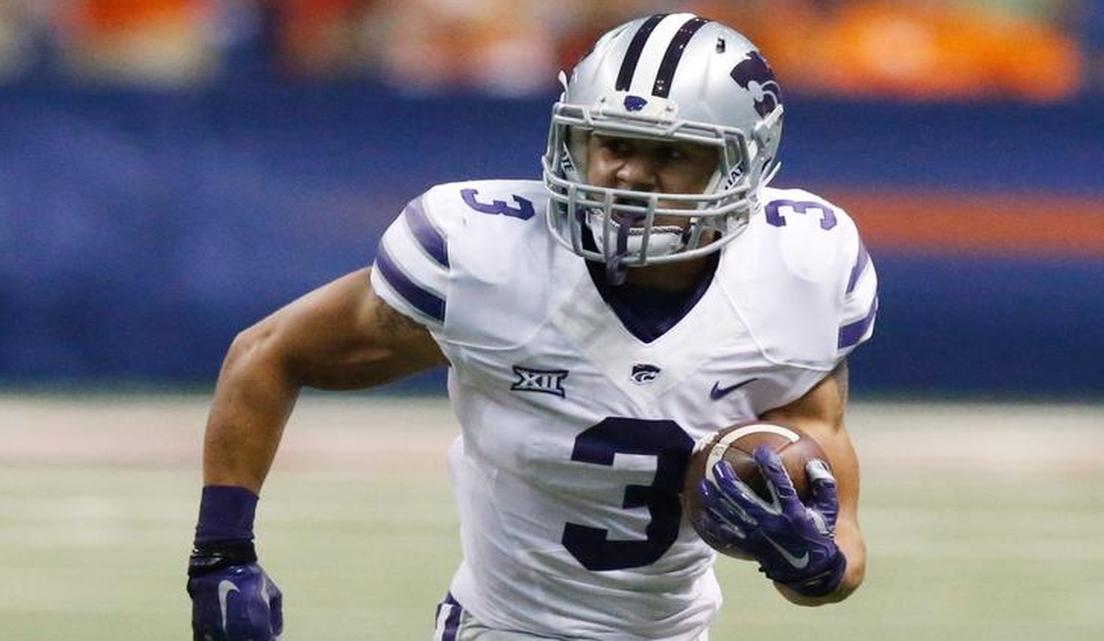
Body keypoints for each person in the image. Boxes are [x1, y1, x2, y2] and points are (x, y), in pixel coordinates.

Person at [186, 12, 878, 641]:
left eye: (669, 154)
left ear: (743, 164)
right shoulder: (486, 255)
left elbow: (837, 549)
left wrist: (812, 561)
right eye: (612, 142)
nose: (630, 174)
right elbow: (272, 351)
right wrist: (223, 552)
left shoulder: (801, 268)